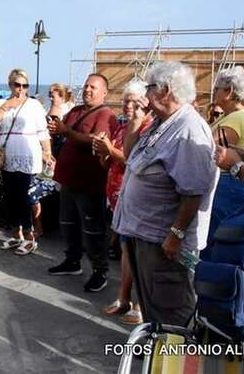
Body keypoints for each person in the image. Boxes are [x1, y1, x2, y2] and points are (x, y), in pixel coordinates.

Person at [113, 61, 218, 326]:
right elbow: (131, 156)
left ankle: (172, 352)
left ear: (166, 90)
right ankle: (156, 348)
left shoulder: (188, 129)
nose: (145, 95)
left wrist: (175, 235)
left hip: (163, 243)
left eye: (149, 88)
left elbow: (193, 192)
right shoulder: (163, 123)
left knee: (172, 314)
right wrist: (136, 121)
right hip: (143, 235)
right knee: (154, 311)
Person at [47, 74, 118, 292]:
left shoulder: (106, 114)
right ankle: (72, 261)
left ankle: (100, 271)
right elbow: (63, 130)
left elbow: (96, 140)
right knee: (68, 224)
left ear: (104, 92)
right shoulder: (76, 111)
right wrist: (56, 129)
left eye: (93, 87)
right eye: (86, 86)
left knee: (93, 229)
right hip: (68, 180)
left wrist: (66, 131)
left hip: (89, 184)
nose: (87, 90)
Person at [93, 80, 151, 325]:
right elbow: (110, 160)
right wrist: (102, 152)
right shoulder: (121, 128)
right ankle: (124, 297)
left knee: (139, 252)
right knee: (127, 250)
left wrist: (110, 150)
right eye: (126, 101)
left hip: (138, 197)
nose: (128, 106)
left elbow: (134, 161)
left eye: (134, 102)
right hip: (119, 197)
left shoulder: (149, 127)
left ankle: (139, 304)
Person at [0, 69, 52, 255]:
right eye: (17, 85)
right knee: (10, 197)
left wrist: (48, 151)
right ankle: (16, 234)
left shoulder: (34, 105)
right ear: (10, 85)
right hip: (7, 156)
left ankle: (29, 237)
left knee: (24, 197)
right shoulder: (1, 104)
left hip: (27, 155)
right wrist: (5, 106)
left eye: (25, 86)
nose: (21, 89)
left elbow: (42, 131)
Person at [203, 66, 244, 256]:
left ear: (229, 91)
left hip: (225, 185)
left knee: (214, 240)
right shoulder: (234, 116)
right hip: (228, 184)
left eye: (217, 88)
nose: (214, 92)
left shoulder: (236, 118)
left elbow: (208, 149)